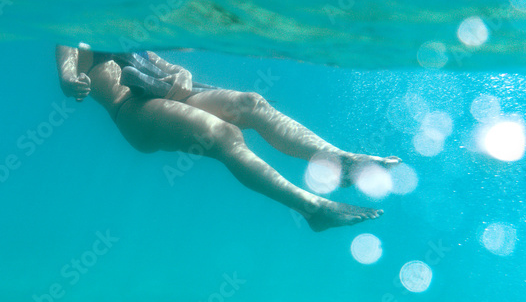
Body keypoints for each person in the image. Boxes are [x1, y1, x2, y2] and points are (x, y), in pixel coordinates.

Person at [56, 43, 400, 232]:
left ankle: (342, 161)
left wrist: (180, 72)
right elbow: (67, 72)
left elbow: (167, 65)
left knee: (250, 103)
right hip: (132, 111)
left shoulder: (127, 29)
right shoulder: (74, 33)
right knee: (223, 134)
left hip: (168, 95)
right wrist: (72, 81)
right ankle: (313, 208)